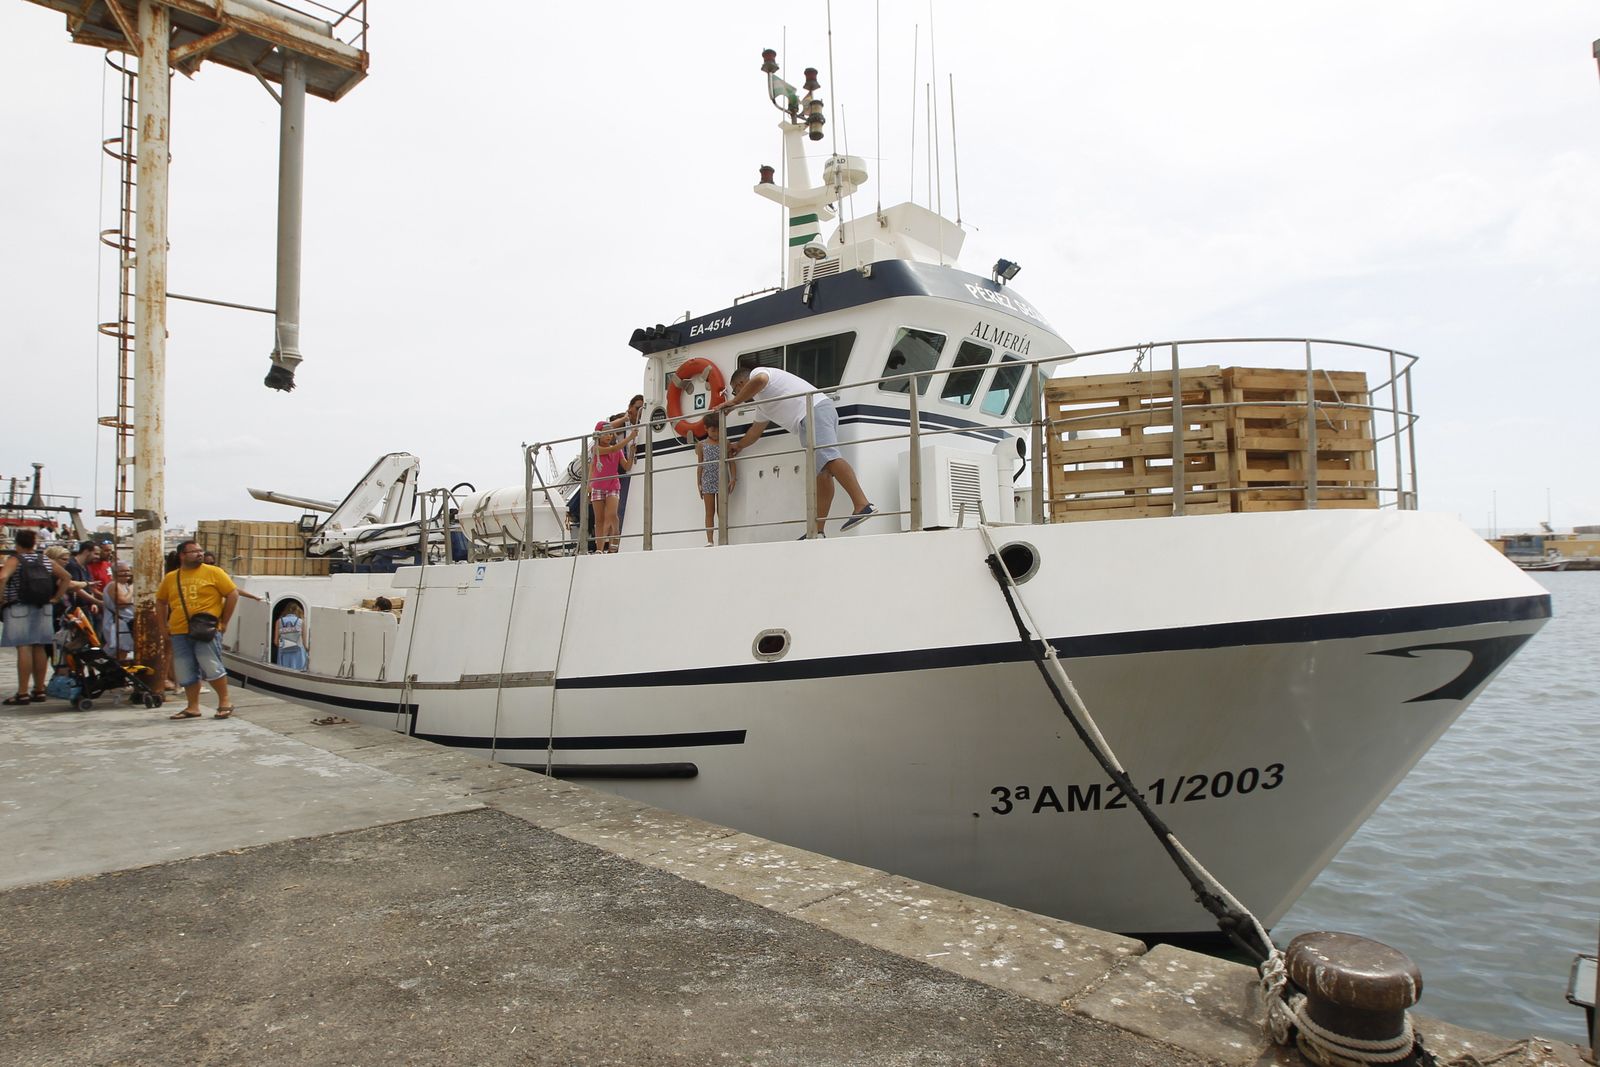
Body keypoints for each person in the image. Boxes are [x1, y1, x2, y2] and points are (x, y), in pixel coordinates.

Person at [726, 363, 877, 537]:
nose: (738, 395)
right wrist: (738, 446)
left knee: (829, 458)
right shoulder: (762, 404)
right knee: (822, 473)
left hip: (812, 411)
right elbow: (755, 432)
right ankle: (817, 531)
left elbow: (760, 380)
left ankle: (863, 505)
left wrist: (734, 402)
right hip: (811, 414)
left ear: (740, 384)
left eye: (735, 391)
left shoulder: (758, 373)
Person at [156, 539, 239, 720]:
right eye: (194, 551)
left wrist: (224, 621)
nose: (199, 554)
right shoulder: (172, 577)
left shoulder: (214, 572)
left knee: (211, 664)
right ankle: (192, 706)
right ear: (182, 555)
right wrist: (163, 626)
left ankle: (224, 701)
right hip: (179, 629)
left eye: (200, 550)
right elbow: (161, 601)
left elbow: (232, 594)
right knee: (185, 668)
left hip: (206, 628)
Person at [1, 530, 75, 705]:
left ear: (17, 543)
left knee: (24, 647)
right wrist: (56, 598)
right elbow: (67, 577)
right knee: (39, 646)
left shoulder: (15, 560)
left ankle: (22, 693)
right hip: (43, 606)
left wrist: (1, 597)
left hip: (18, 606)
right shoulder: (45, 560)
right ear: (34, 543)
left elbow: (3, 576)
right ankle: (39, 689)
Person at [588, 420, 635, 554]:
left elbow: (627, 467)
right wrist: (629, 438)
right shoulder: (595, 449)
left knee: (612, 514)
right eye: (605, 434)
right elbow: (612, 449)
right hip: (597, 486)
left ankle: (614, 541)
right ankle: (600, 548)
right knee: (599, 519)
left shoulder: (618, 450)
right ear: (598, 436)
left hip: (613, 485)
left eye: (610, 434)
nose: (609, 436)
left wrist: (631, 453)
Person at [695, 409, 737, 546]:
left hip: (722, 480)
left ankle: (723, 538)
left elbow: (731, 461)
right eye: (713, 430)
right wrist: (699, 483)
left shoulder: (725, 442)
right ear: (706, 429)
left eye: (718, 430)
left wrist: (733, 478)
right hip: (707, 480)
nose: (716, 433)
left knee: (721, 511)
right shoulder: (701, 445)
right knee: (709, 511)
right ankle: (709, 540)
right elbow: (700, 465)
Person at [106, 563, 134, 663]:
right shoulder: (114, 585)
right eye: (123, 571)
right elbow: (123, 603)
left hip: (126, 622)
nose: (126, 573)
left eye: (128, 570)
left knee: (123, 651)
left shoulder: (124, 585)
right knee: (120, 652)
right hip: (118, 623)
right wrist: (132, 589)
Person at [274, 605, 308, 671]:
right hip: (298, 654)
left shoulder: (279, 621)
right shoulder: (301, 622)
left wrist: (285, 645)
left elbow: (275, 642)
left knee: (284, 673)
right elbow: (304, 643)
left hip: (283, 654)